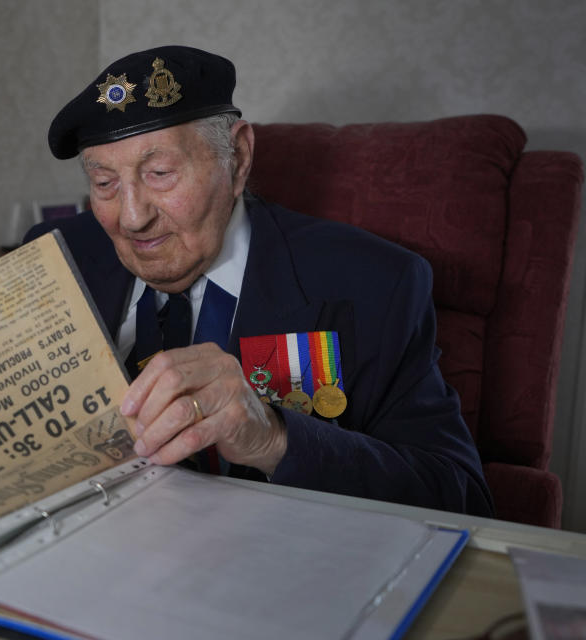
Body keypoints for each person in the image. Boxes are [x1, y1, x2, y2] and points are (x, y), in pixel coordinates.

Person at [25, 45, 493, 516]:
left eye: (160, 173)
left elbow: (462, 496)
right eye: (104, 183)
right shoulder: (54, 255)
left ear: (238, 157)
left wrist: (272, 437)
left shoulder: (375, 283)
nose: (131, 218)